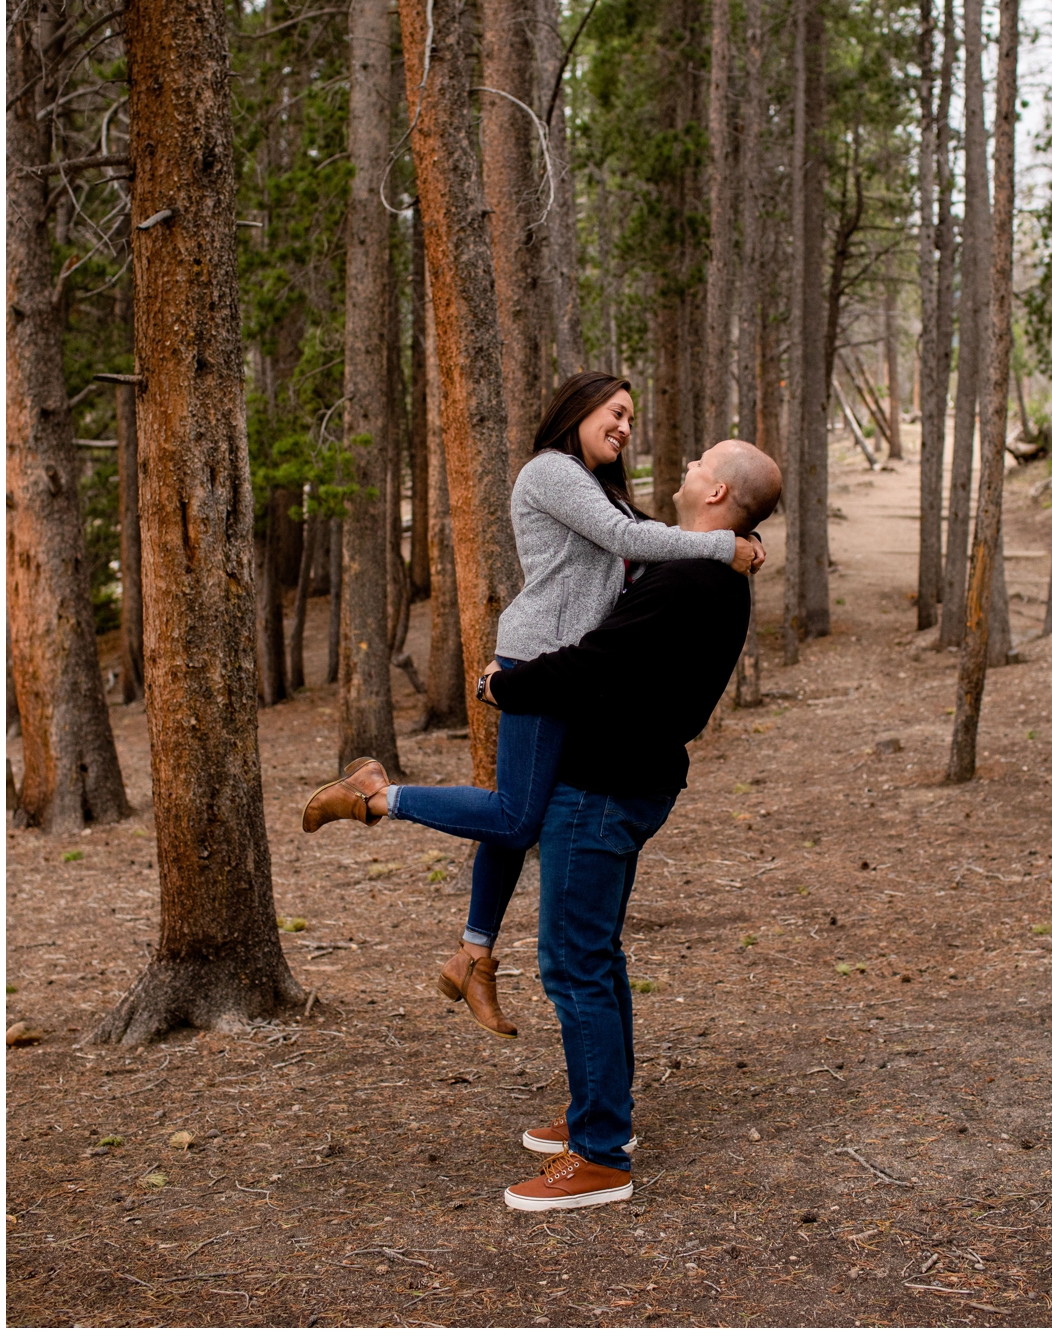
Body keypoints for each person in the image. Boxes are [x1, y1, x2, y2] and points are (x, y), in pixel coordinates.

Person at [299, 373, 763, 1036]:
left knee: (520, 812)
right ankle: (376, 796)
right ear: (578, 410)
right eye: (617, 413)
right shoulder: (551, 472)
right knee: (516, 818)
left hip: (568, 670)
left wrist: (731, 541)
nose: (626, 428)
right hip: (539, 662)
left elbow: (645, 543)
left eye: (632, 419)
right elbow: (633, 543)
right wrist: (725, 544)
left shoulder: (600, 490)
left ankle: (474, 953)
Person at [481, 438, 780, 1211]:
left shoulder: (688, 579)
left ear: (716, 493)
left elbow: (597, 661)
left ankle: (602, 1154)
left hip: (603, 787)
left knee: (572, 963)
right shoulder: (704, 568)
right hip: (627, 778)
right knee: (596, 956)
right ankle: (598, 1114)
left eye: (695, 463)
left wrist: (504, 688)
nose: (681, 468)